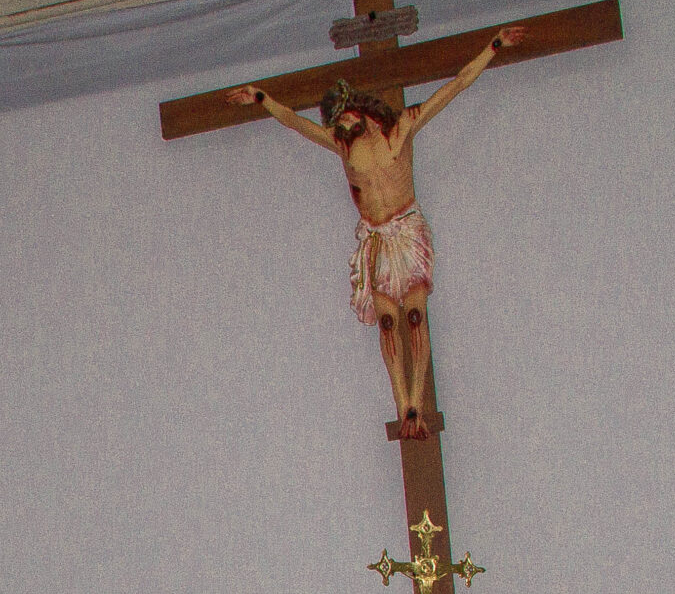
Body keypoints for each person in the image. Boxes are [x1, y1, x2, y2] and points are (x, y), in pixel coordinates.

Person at [224, 26, 526, 440]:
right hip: (377, 239)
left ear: (359, 109)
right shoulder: (342, 145)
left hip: (406, 230)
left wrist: (494, 47)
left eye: (345, 118)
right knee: (387, 322)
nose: (341, 127)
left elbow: (456, 86)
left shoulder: (402, 128)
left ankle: (418, 399)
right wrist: (262, 98)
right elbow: (296, 124)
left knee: (415, 316)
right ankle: (404, 407)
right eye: (337, 123)